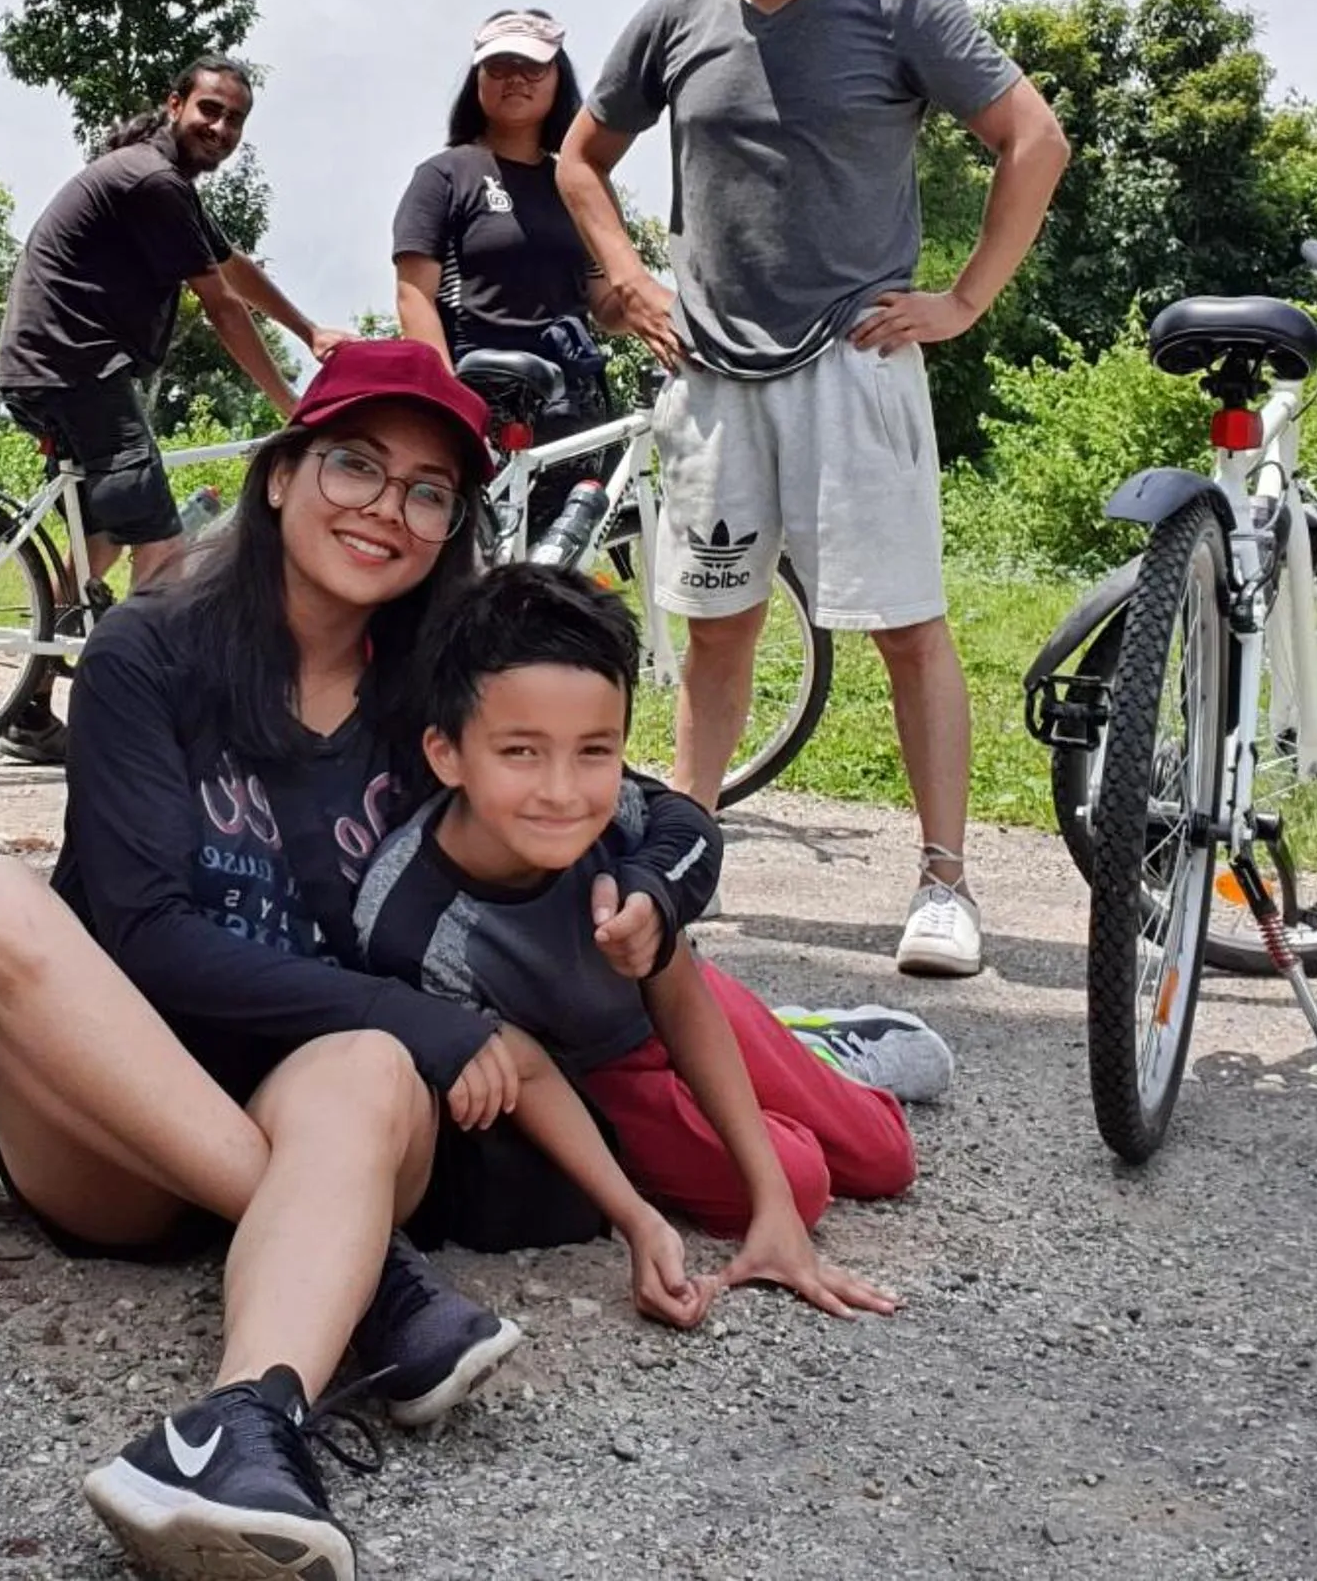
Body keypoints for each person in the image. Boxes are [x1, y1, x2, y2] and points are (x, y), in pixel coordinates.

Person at [0, 339, 715, 1581]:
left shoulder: (437, 691)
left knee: (373, 1064)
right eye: (354, 464)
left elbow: (650, 809)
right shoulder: (150, 650)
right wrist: (439, 1023)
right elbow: (140, 936)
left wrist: (656, 886)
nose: (384, 509)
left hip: (333, 1128)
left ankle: (238, 1427)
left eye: (427, 490)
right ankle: (383, 1293)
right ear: (282, 475)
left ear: (452, 525)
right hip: (115, 1131)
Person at [558, 0, 1072, 977]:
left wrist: (961, 301)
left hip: (855, 358)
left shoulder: (896, 1)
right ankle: (685, 853)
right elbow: (583, 160)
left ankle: (944, 881)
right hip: (712, 368)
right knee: (715, 623)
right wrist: (628, 277)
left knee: (904, 625)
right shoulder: (675, 14)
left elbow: (1030, 139)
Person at [356, 565, 946, 1330]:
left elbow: (677, 967)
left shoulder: (619, 817)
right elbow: (527, 1075)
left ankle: (818, 1047)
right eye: (521, 753)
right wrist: (640, 1218)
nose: (563, 791)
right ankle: (791, 1075)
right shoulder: (409, 925)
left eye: (594, 751)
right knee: (803, 1185)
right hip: (598, 1071)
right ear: (446, 754)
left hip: (689, 1007)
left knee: (885, 1159)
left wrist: (655, 900)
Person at [0, 53, 350, 763]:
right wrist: (290, 404)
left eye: (235, 119)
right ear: (175, 103)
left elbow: (231, 266)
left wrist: (309, 332)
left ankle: (31, 712)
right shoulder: (152, 179)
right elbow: (219, 304)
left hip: (59, 364)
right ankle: (153, 726)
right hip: (77, 364)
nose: (220, 127)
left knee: (99, 540)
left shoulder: (160, 180)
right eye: (209, 110)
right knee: (163, 547)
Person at [390, 7, 623, 387]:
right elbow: (414, 297)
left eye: (533, 66)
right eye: (498, 66)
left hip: (574, 399)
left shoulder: (580, 183)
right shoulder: (444, 176)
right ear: (477, 78)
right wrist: (450, 405)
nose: (515, 78)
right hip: (479, 393)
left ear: (557, 78)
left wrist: (676, 303)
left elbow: (608, 307)